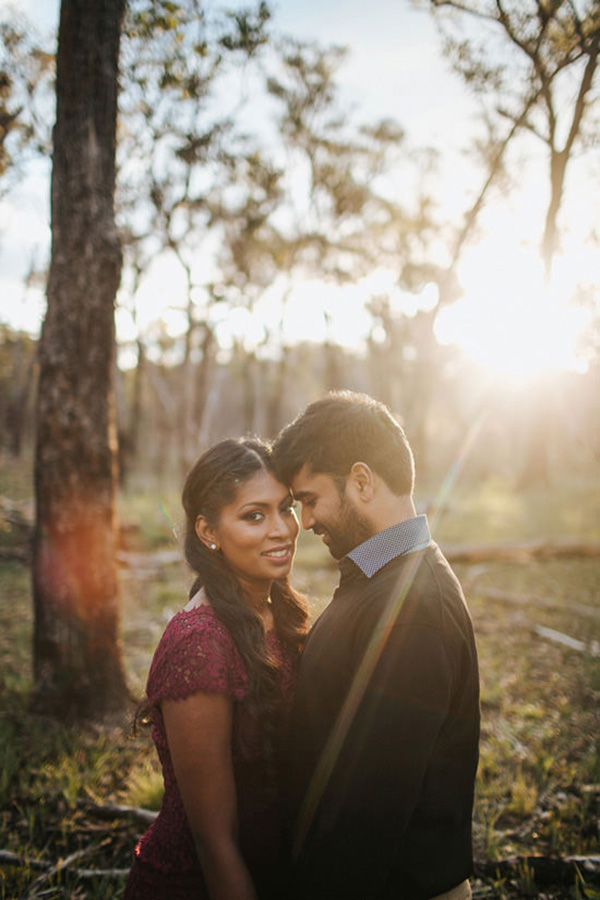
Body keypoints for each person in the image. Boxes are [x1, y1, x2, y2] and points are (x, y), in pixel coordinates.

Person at [272, 391, 480, 900]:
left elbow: (370, 813)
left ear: (361, 481)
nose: (307, 521)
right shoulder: (379, 576)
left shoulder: (413, 611)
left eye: (310, 500)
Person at [124, 437, 308, 900]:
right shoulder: (199, 646)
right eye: (254, 515)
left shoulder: (278, 612)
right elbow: (214, 842)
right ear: (208, 532)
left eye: (286, 508)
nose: (282, 529)